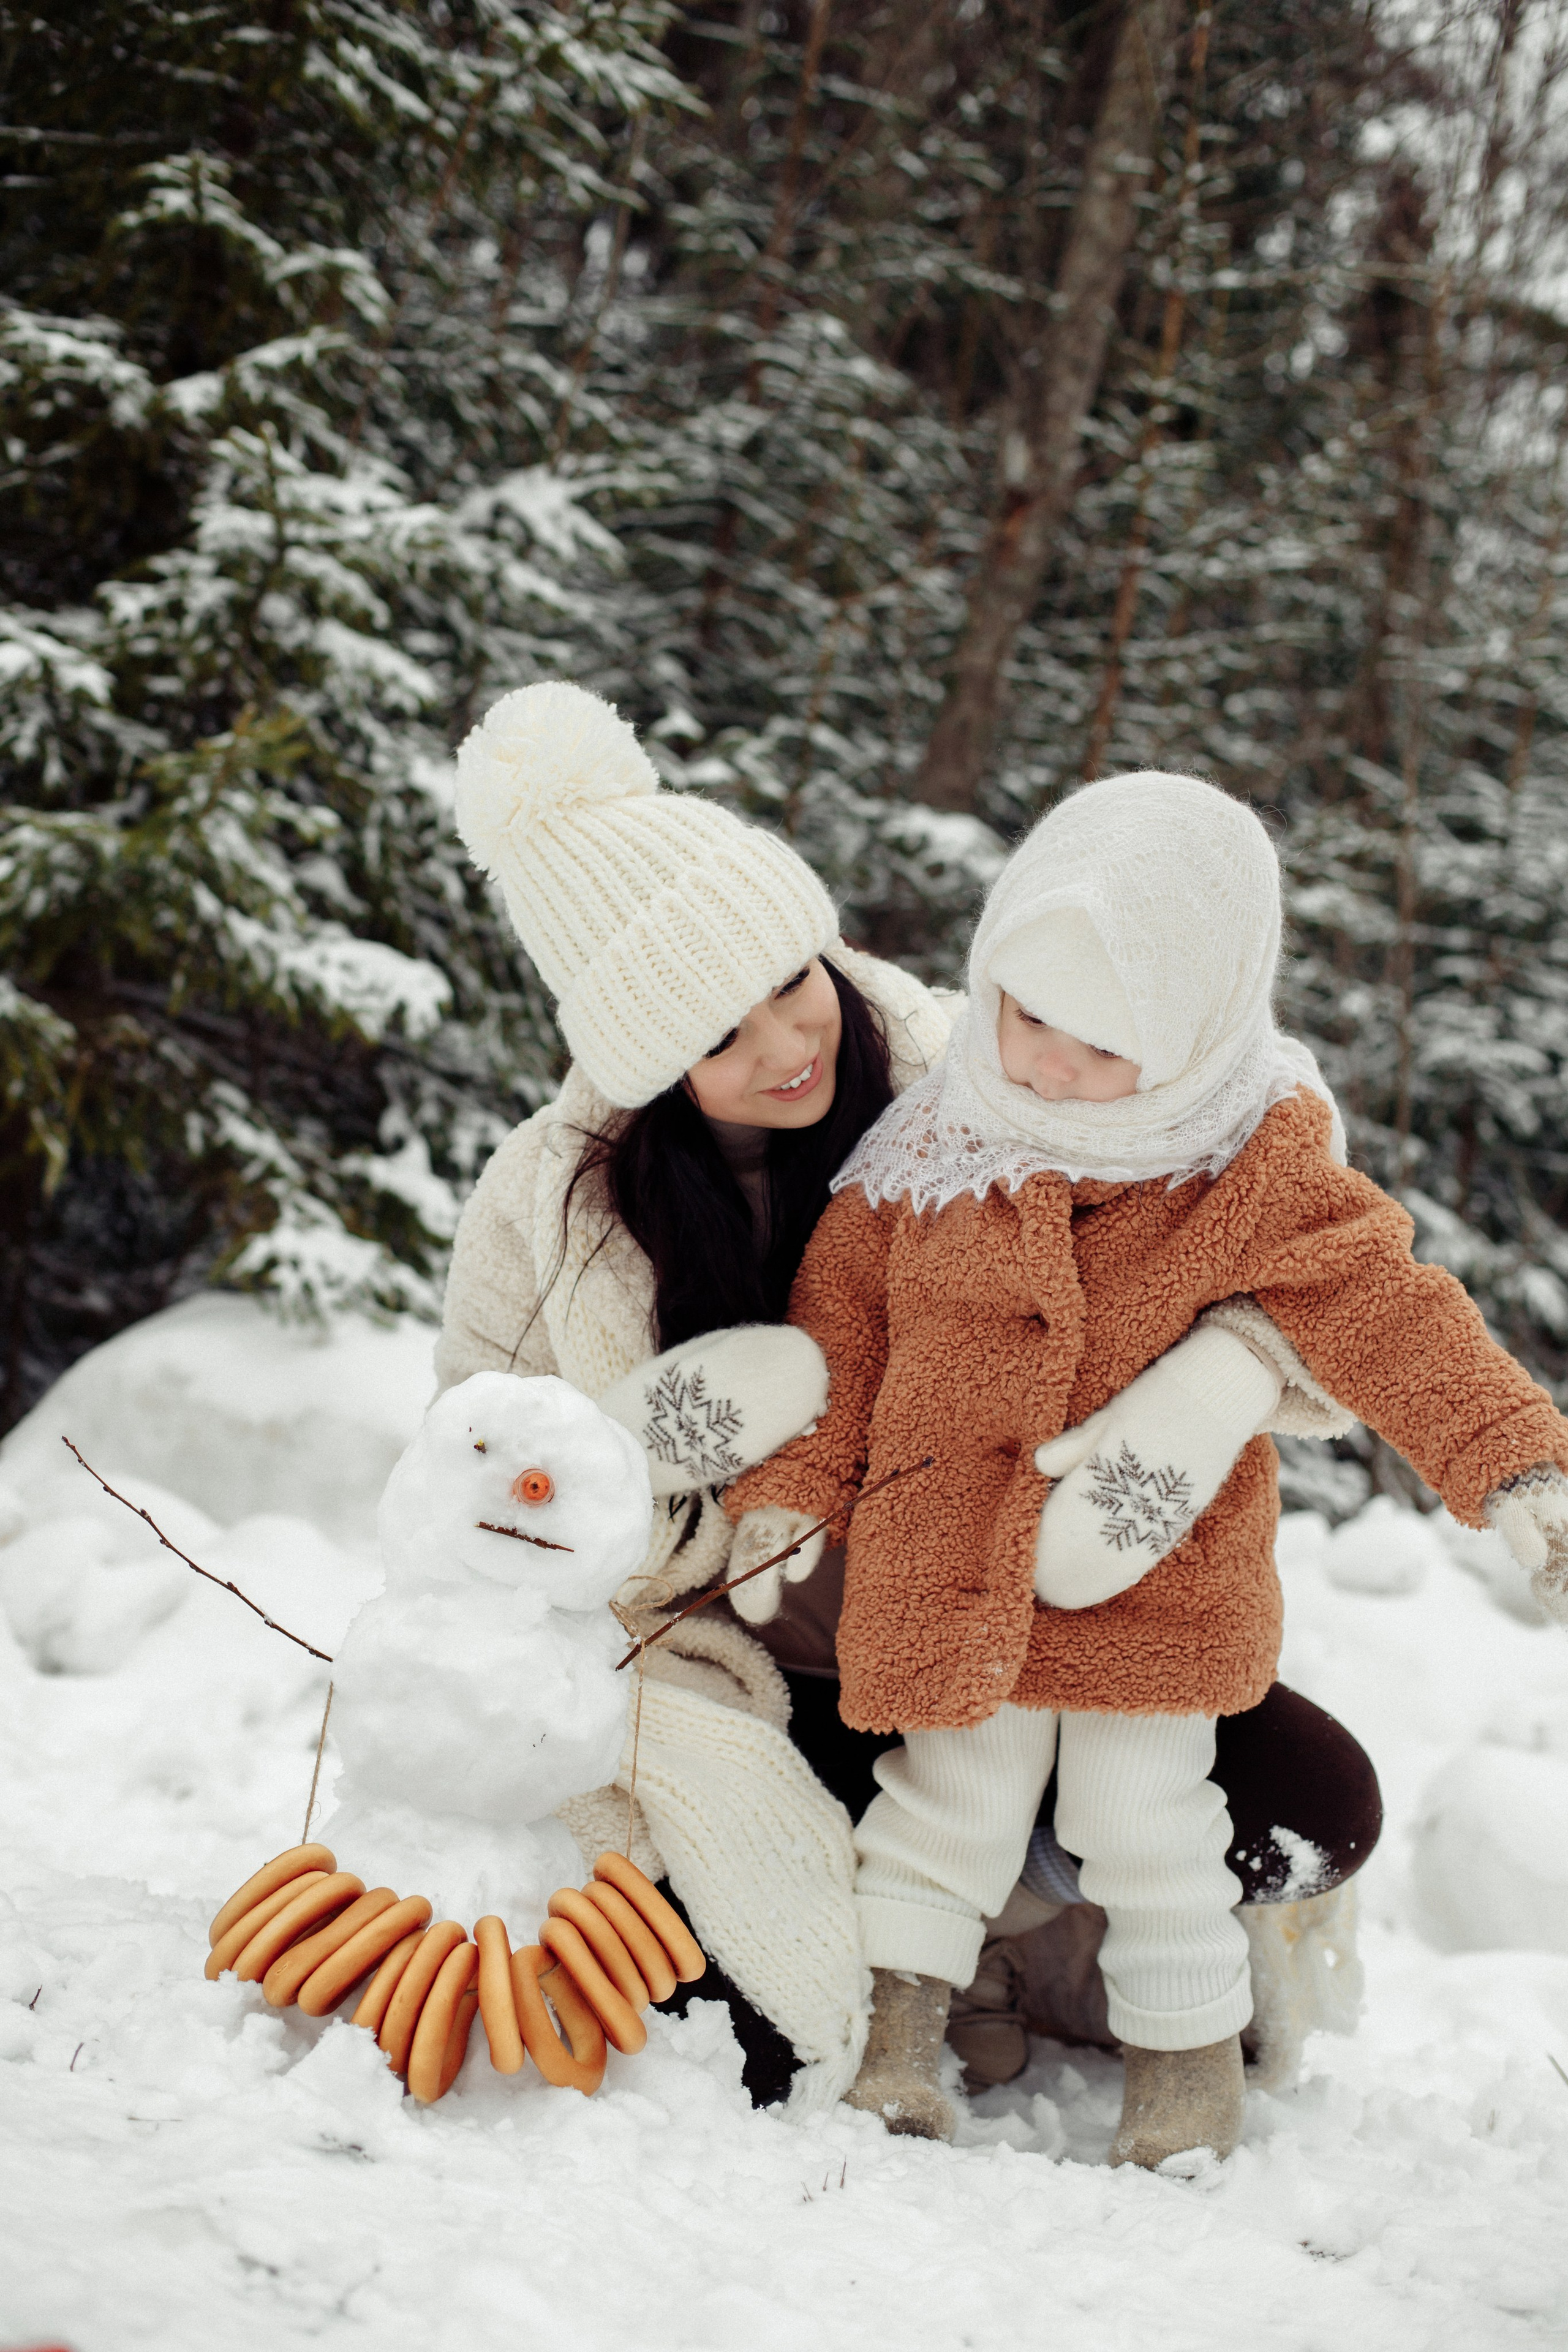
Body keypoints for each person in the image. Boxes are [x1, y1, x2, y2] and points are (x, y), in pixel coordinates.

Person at [435, 685, 1382, 2117]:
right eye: (716, 1035)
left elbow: (1260, 1113)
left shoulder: (958, 1062)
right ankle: (929, 1901)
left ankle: (1014, 1898)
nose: (782, 1045)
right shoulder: (558, 1209)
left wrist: (1230, 1363)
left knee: (1312, 1806)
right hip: (767, 1674)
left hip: (1020, 1633)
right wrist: (648, 1450)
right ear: (644, 1066)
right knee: (740, 2028)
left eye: (788, 980)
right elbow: (476, 1471)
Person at [726, 769, 1568, 2164]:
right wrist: (787, 1497)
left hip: (1152, 1590)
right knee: (943, 1809)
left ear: (1190, 1032)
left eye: (1102, 1046)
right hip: (946, 1564)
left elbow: (1382, 1309)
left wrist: (1515, 1467)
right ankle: (900, 2040)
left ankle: (1184, 2074)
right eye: (1028, 1013)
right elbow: (839, 1336)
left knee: (1145, 1827)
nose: (1048, 1064)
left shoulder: (1246, 1155)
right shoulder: (927, 1145)